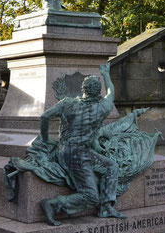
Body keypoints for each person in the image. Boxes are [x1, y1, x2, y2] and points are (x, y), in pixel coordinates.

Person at [39, 63, 126, 226]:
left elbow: (44, 117)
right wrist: (106, 74)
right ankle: (53, 204)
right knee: (91, 197)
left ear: (83, 89)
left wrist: (45, 139)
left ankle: (106, 207)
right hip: (75, 155)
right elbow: (111, 93)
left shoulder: (67, 103)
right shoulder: (102, 108)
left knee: (111, 166)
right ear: (97, 91)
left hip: (74, 151)